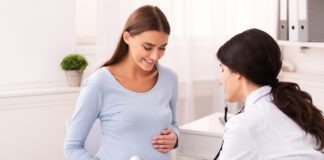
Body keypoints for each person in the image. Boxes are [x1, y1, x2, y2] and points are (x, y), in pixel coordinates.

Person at [64, 5, 179, 160]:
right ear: (127, 38)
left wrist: (175, 137)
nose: (155, 56)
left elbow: (173, 124)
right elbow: (72, 148)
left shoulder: (169, 79)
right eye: (147, 47)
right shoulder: (99, 83)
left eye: (162, 48)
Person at [214, 28, 324, 159]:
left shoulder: (243, 125)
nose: (220, 81)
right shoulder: (289, 104)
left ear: (237, 72)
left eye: (222, 70)